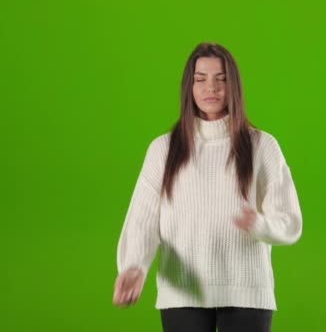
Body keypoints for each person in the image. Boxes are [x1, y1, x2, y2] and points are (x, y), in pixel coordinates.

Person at [112, 41, 303, 332]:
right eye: (200, 79)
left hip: (247, 292)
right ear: (189, 87)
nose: (210, 88)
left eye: (221, 79)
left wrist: (261, 225)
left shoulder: (262, 146)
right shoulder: (164, 149)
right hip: (182, 293)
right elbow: (143, 218)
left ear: (234, 87)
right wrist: (133, 266)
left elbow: (289, 222)